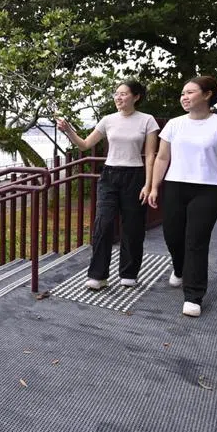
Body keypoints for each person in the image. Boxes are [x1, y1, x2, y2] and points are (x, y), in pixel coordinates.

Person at [148, 76, 217, 318]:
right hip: (175, 187)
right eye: (182, 93)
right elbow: (161, 158)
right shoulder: (174, 124)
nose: (184, 97)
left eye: (190, 92)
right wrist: (154, 186)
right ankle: (179, 269)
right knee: (172, 236)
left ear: (207, 94)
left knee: (196, 242)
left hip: (207, 189)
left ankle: (193, 295)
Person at [57, 81, 159, 290]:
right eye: (116, 94)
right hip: (110, 175)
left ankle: (129, 273)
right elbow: (85, 144)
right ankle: (98, 275)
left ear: (136, 97)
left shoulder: (147, 120)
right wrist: (68, 130)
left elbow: (150, 156)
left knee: (133, 227)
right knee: (103, 224)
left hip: (135, 175)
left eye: (123, 94)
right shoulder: (108, 120)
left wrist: (149, 184)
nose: (118, 98)